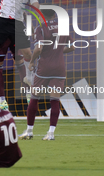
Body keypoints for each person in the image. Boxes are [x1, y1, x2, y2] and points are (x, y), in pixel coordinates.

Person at [19, 9, 74, 140]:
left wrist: (32, 62)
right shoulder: (63, 28)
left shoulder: (41, 28)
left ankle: (29, 131)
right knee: (55, 100)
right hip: (60, 68)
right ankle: (50, 133)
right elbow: (72, 47)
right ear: (55, 15)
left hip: (44, 68)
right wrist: (59, 52)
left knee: (34, 97)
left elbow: (38, 48)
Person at [0, 0, 30, 110]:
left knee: (2, 64)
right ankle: (27, 94)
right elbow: (24, 15)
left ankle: (3, 100)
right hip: (9, 34)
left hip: (3, 34)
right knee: (19, 62)